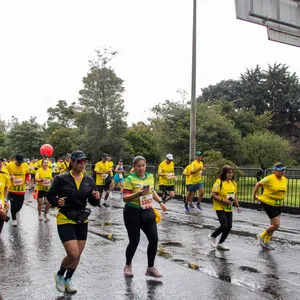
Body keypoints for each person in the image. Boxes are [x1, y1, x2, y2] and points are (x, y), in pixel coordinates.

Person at [47, 150, 100, 293]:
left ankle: (68, 279)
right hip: (65, 219)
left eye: (84, 161)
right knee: (73, 254)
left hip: (81, 219)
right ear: (72, 162)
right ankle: (59, 275)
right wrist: (57, 201)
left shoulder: (89, 180)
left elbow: (94, 202)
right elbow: (50, 195)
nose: (83, 164)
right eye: (79, 161)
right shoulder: (62, 178)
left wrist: (96, 197)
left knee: (78, 255)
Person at [123, 156, 166, 278]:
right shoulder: (130, 179)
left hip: (147, 211)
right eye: (138, 166)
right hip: (132, 212)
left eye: (143, 165)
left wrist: (160, 202)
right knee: (134, 240)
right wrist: (138, 194)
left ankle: (150, 267)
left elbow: (152, 191)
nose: (141, 168)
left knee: (154, 239)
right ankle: (128, 265)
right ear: (134, 166)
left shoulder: (150, 176)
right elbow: (124, 198)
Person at [253, 162, 287, 250]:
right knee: (276, 225)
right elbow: (258, 184)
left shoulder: (284, 179)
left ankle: (266, 241)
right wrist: (254, 196)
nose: (283, 172)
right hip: (268, 202)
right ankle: (261, 236)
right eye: (281, 170)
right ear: (274, 171)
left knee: (273, 225)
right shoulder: (269, 178)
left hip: (277, 204)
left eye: (283, 170)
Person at [208, 165, 241, 251]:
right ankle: (212, 236)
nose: (230, 175)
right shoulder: (219, 182)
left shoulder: (233, 183)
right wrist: (223, 200)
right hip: (219, 206)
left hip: (228, 207)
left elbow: (234, 195)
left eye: (231, 173)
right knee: (224, 225)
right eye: (228, 173)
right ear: (224, 173)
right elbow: (213, 194)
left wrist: (237, 205)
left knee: (229, 226)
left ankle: (221, 243)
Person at [6, 154, 29, 227]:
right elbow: (4, 175)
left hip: (21, 190)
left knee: (19, 206)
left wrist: (27, 180)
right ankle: (14, 219)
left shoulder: (25, 165)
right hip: (12, 190)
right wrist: (10, 177)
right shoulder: (9, 166)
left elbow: (27, 174)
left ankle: (14, 212)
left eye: (21, 162)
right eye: (19, 162)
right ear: (15, 160)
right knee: (13, 205)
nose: (20, 163)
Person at [0, 158, 10, 234]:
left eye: (1, 162)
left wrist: (5, 199)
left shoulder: (4, 175)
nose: (0, 164)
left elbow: (6, 187)